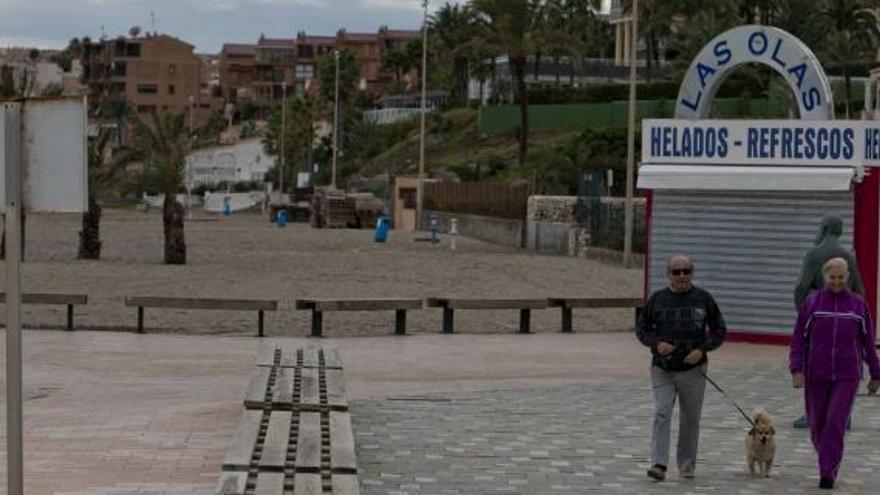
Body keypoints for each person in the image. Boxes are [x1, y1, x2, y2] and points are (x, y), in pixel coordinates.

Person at [789, 257, 880, 489]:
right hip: (815, 373)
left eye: (841, 277)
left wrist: (876, 373)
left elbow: (868, 342)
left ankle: (827, 472)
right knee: (817, 424)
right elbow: (798, 339)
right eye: (833, 277)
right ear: (824, 277)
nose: (837, 282)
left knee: (835, 423)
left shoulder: (858, 305)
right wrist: (797, 369)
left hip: (847, 374)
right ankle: (828, 458)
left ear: (848, 276)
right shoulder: (812, 304)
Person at [637, 255, 727, 481]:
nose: (682, 276)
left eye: (686, 271)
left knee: (691, 418)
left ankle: (687, 465)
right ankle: (658, 464)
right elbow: (642, 330)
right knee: (661, 412)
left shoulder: (704, 299)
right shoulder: (657, 299)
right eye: (676, 272)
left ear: (692, 273)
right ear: (668, 275)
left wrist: (702, 350)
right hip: (662, 368)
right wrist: (657, 344)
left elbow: (719, 330)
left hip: (693, 370)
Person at [792, 215, 865, 429]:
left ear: (823, 228)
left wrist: (804, 316)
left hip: (818, 318)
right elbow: (859, 290)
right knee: (842, 367)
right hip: (845, 320)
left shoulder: (813, 254)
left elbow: (801, 288)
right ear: (840, 230)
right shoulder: (847, 256)